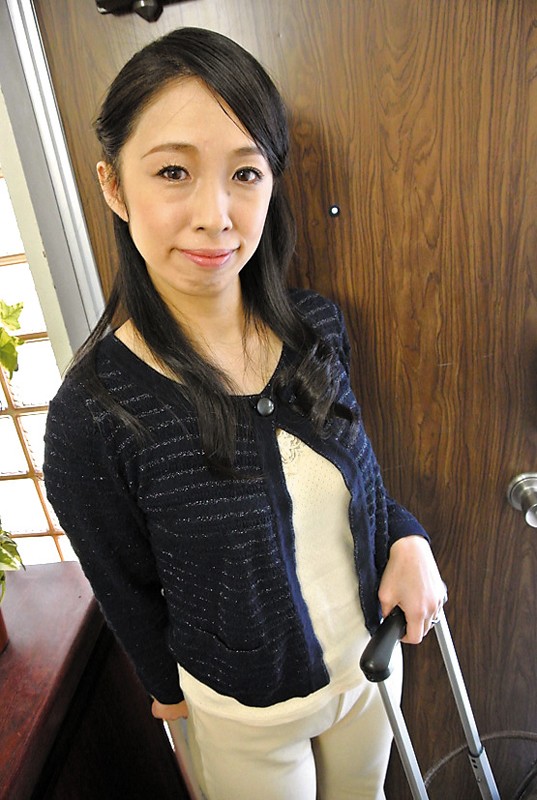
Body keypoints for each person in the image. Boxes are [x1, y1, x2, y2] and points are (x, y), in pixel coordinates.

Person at [44, 27, 446, 800]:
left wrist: (406, 538)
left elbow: (356, 484)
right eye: (173, 171)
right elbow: (124, 586)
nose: (215, 214)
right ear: (114, 186)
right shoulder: (94, 415)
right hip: (243, 716)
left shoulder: (316, 328)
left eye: (245, 173)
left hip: (370, 670)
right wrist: (171, 701)